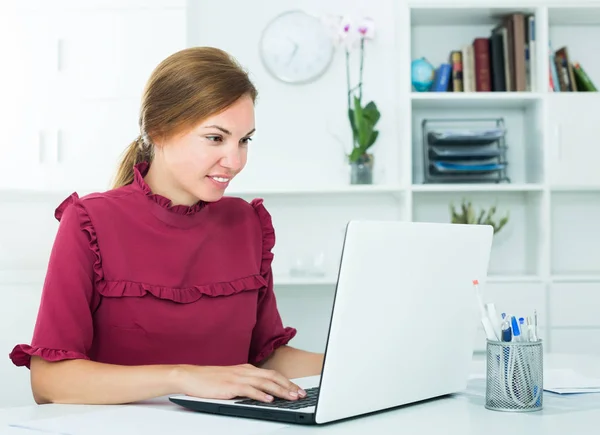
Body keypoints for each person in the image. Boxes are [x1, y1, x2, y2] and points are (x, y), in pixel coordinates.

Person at [9, 46, 324, 405]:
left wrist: (355, 364)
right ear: (158, 131)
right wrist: (183, 377)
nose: (235, 161)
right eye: (215, 138)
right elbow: (49, 382)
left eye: (244, 140)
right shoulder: (89, 221)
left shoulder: (247, 223)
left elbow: (267, 357)